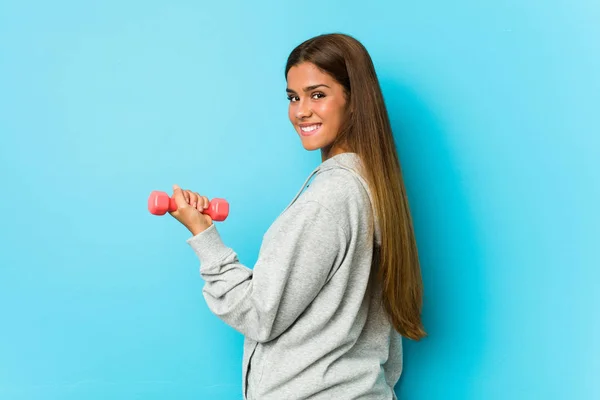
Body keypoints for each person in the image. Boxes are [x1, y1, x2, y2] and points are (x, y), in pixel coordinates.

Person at [168, 33, 426, 400]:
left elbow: (257, 314)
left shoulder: (330, 199)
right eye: (293, 97)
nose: (300, 111)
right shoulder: (374, 188)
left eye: (317, 94)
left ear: (354, 101)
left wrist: (203, 233)